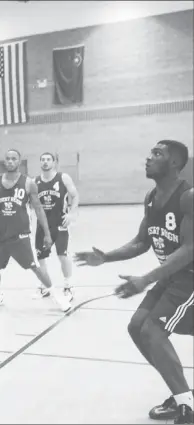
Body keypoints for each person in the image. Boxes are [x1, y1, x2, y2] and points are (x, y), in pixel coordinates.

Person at [75, 140, 193, 425]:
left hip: (189, 277)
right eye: (150, 153)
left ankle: (187, 408)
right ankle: (182, 396)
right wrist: (106, 257)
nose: (148, 158)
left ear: (175, 163)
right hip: (171, 277)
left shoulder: (188, 196)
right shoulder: (152, 197)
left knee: (152, 329)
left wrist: (146, 279)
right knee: (137, 327)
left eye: (157, 154)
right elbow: (143, 241)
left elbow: (190, 249)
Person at [0, 149, 72, 312]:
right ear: (5, 161)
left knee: (36, 267)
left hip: (21, 236)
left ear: (19, 161)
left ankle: (56, 296)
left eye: (14, 159)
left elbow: (39, 210)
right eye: (7, 158)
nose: (10, 161)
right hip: (0, 235)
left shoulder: (28, 183)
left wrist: (46, 233)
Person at [34, 152, 79, 301]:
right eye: (43, 160)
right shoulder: (35, 181)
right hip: (42, 226)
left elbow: (75, 195)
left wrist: (71, 214)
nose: (45, 162)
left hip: (60, 223)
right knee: (41, 257)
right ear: (40, 163)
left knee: (62, 255)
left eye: (48, 159)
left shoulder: (63, 178)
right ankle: (45, 286)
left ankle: (68, 286)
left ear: (54, 162)